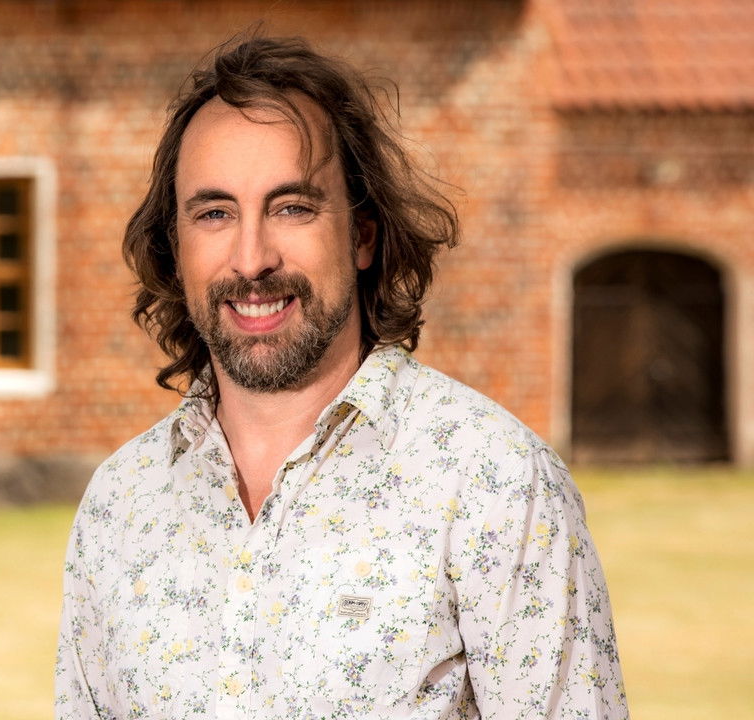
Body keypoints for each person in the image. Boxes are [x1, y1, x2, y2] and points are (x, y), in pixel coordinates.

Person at [55, 36, 627, 719]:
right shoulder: (119, 503)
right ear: (175, 248)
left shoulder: (493, 480)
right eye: (214, 214)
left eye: (292, 207)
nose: (252, 259)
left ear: (362, 234)